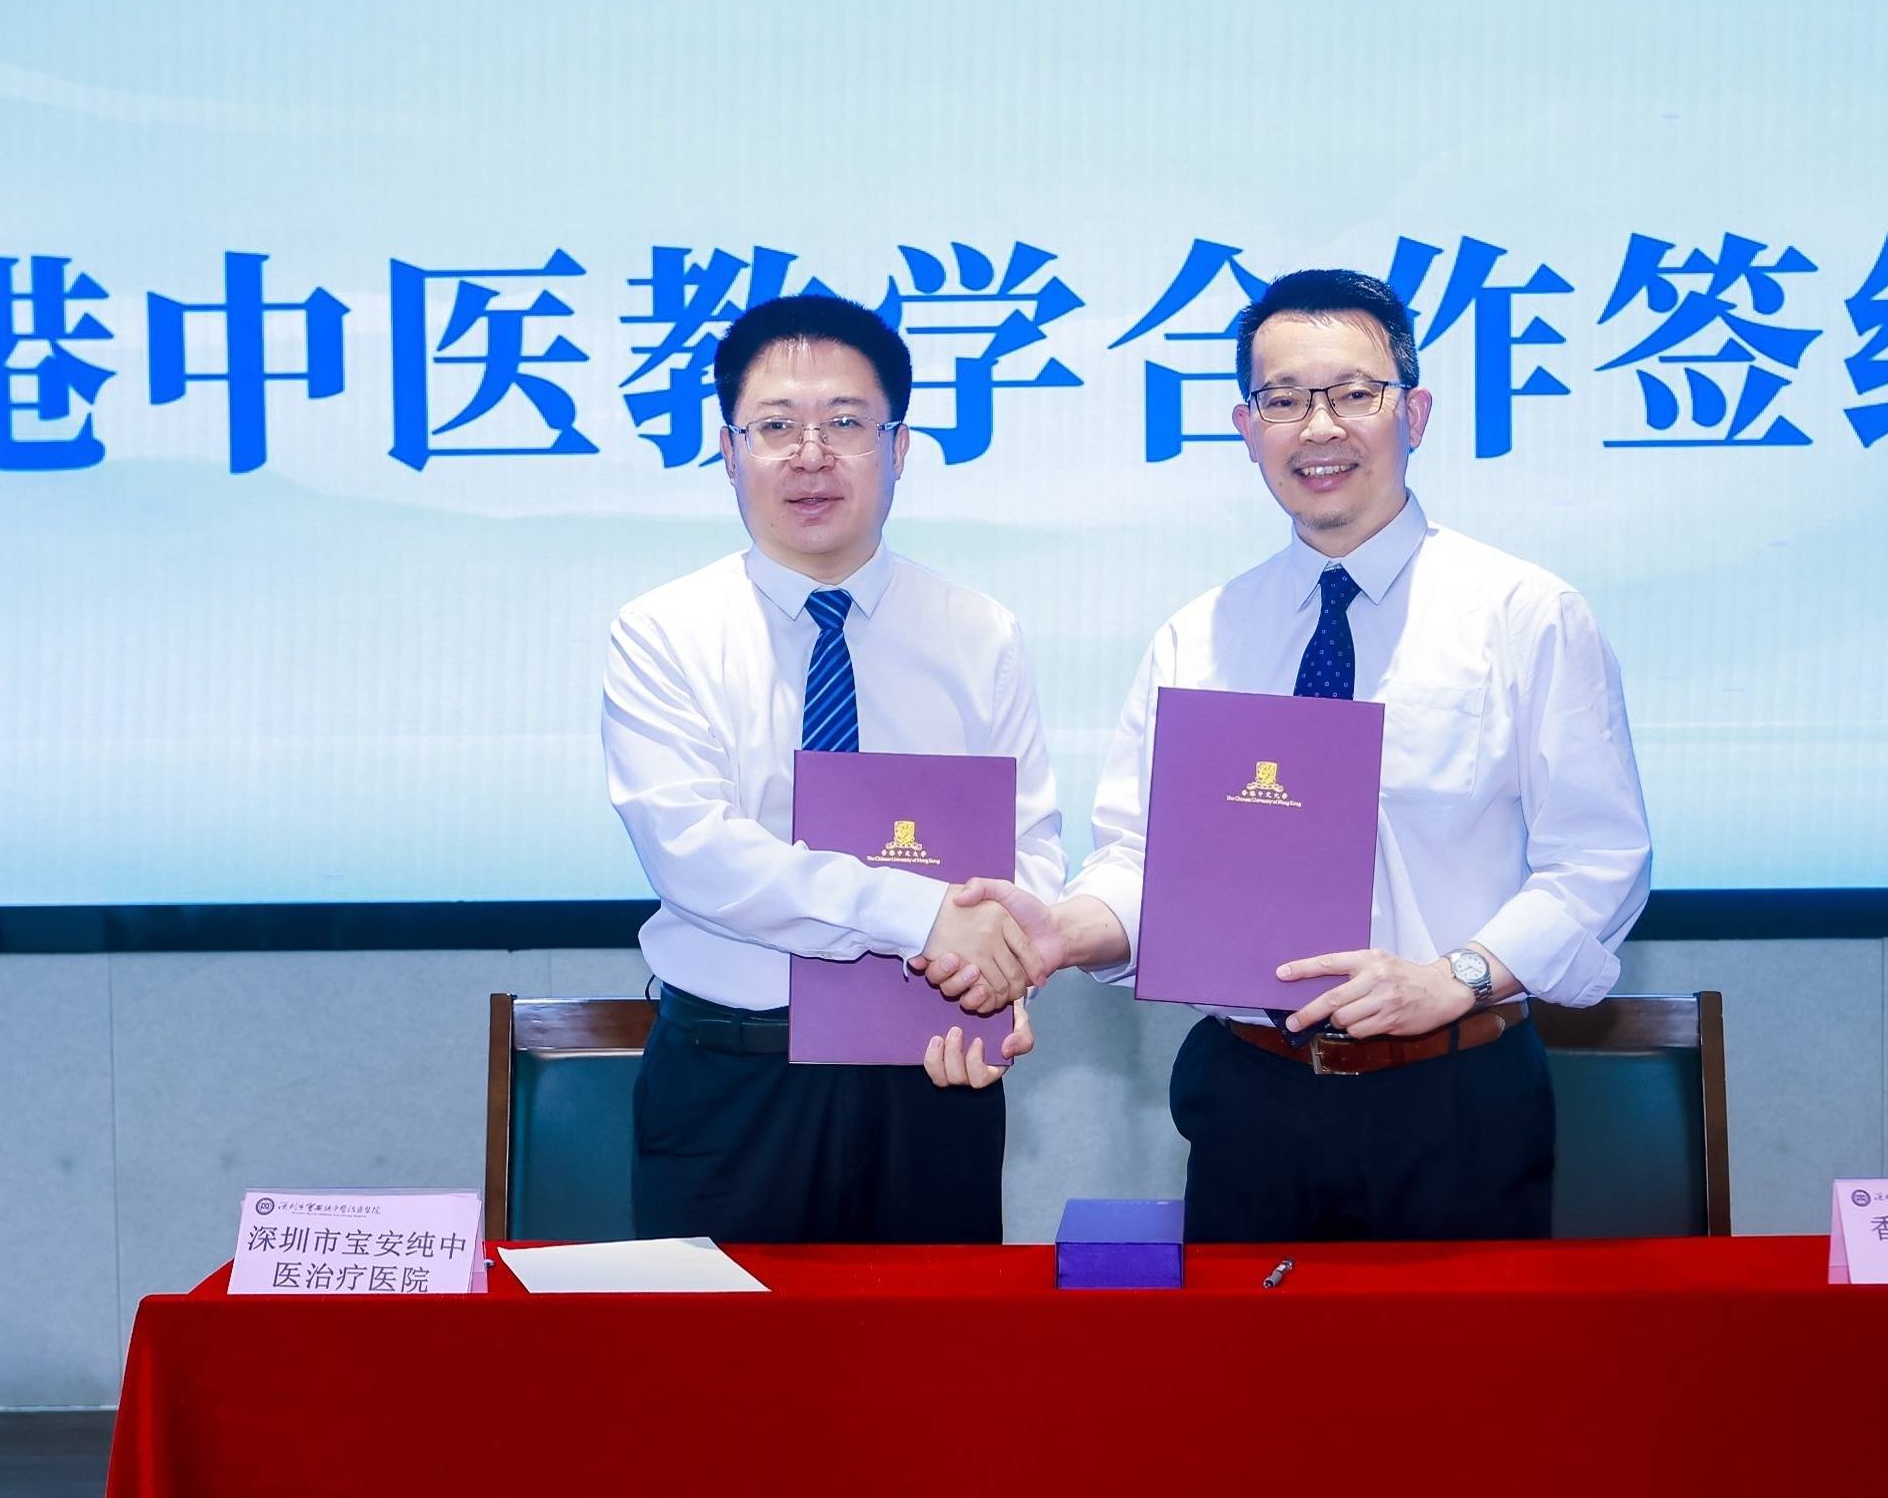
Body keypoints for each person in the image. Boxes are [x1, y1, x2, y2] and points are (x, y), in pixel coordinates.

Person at [923, 268, 1651, 1240]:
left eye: (1353, 394)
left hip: (1455, 1098)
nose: (1319, 427)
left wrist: (1454, 977)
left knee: (1461, 1349)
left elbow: (1598, 861)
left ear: (1414, 412)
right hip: (1251, 1098)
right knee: (1241, 1348)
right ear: (1246, 427)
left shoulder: (1524, 615)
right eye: (1284, 400)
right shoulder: (1200, 636)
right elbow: (1143, 861)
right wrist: (1060, 932)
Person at [602, 293, 1060, 1242]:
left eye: (846, 423)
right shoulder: (663, 633)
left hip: (935, 1066)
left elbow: (1028, 850)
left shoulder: (979, 634)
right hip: (733, 1084)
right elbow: (696, 854)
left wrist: (1006, 975)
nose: (811, 455)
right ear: (728, 451)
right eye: (777, 426)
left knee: (939, 1337)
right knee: (720, 1341)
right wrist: (923, 913)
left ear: (899, 448)